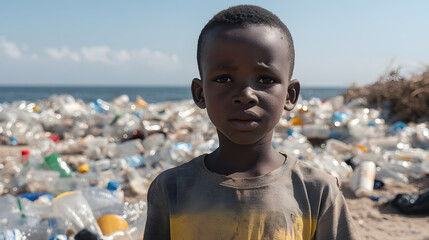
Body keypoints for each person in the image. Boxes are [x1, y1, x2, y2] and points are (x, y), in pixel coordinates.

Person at [144, 5, 358, 240]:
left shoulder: (317, 192)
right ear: (200, 93)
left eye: (265, 79)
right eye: (224, 79)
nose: (246, 94)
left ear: (290, 95)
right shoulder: (171, 189)